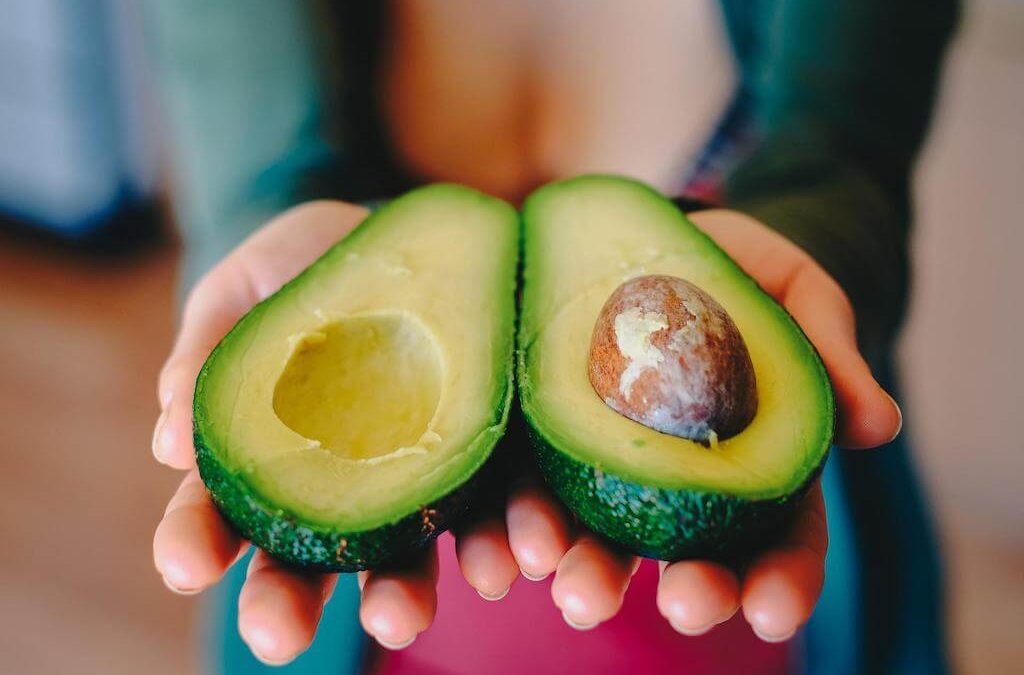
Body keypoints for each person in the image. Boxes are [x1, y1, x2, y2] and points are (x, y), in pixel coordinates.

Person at [145, 1, 956, 673]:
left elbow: (849, 158)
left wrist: (823, 244)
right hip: (371, 605)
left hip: (750, 588)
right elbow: (244, 143)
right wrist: (260, 238)